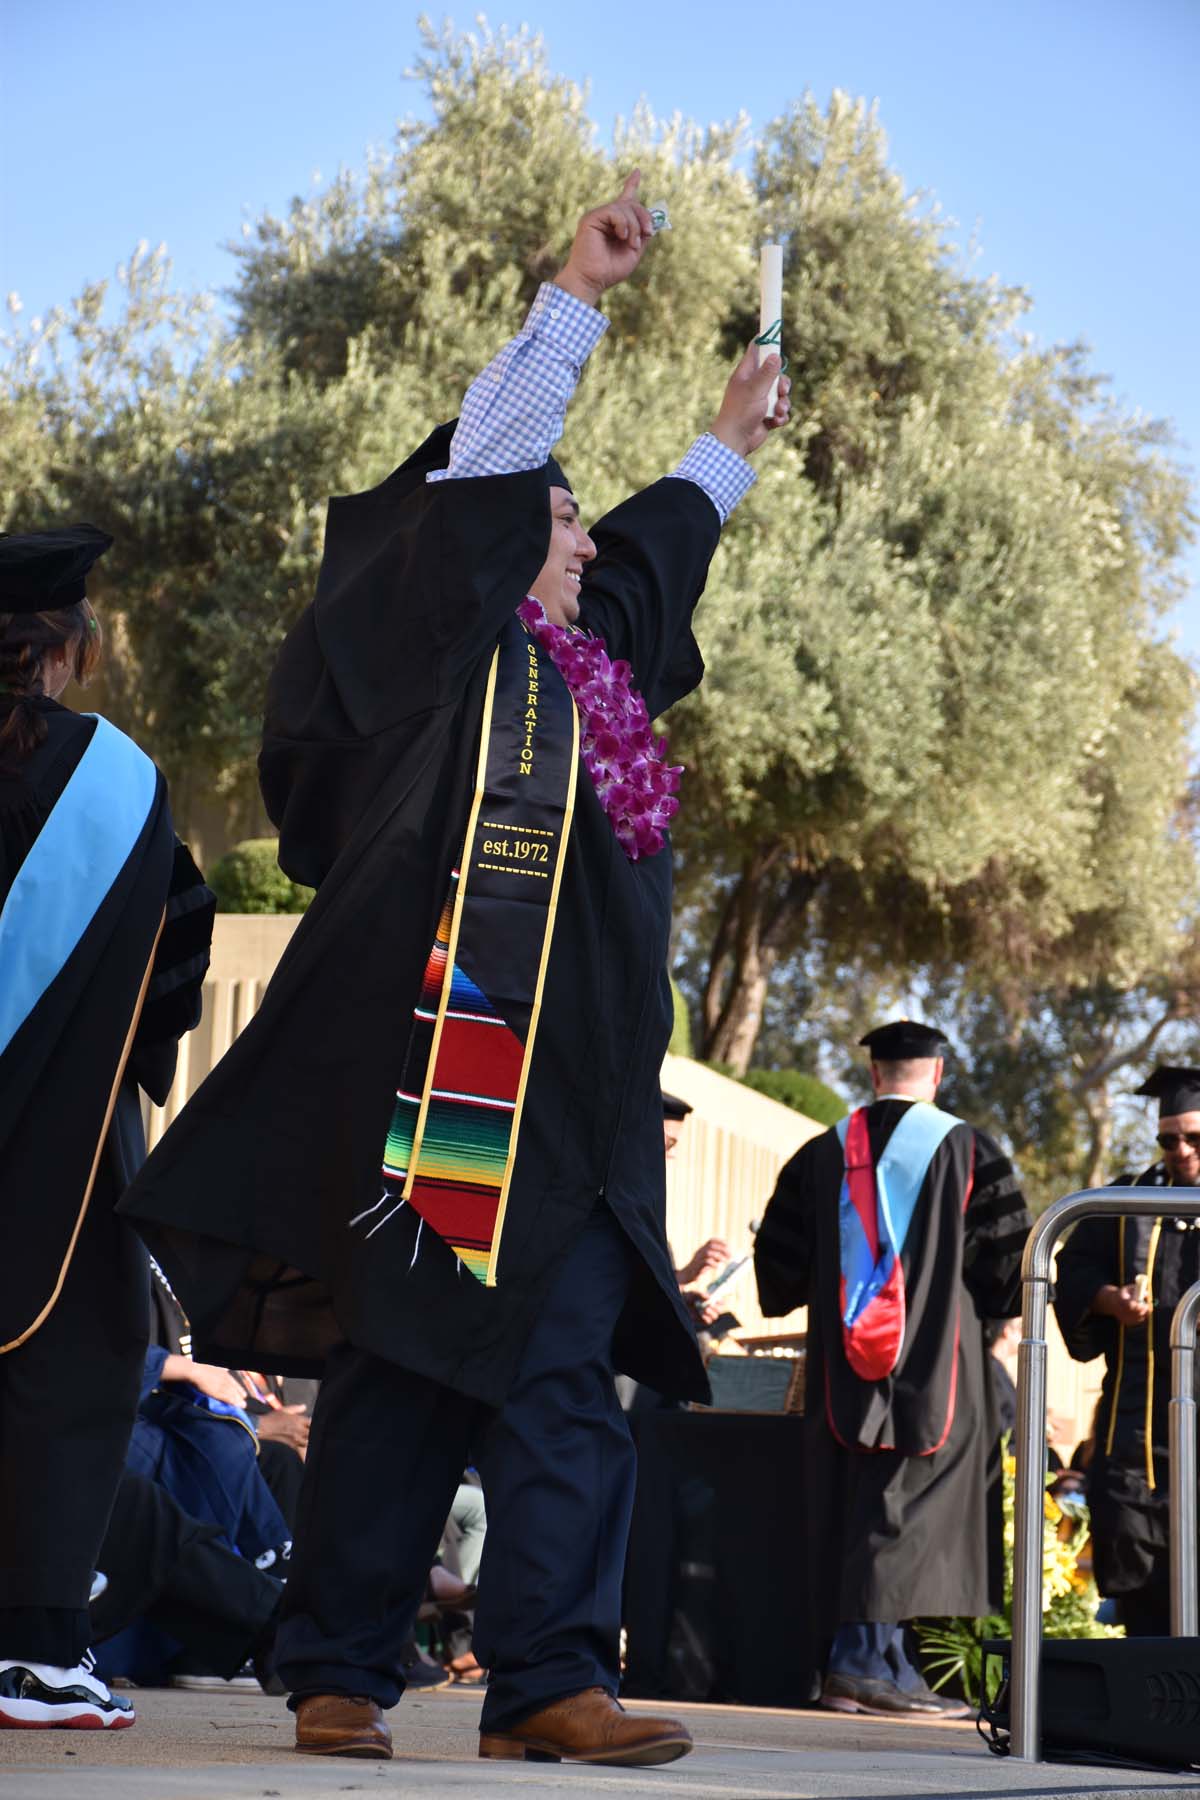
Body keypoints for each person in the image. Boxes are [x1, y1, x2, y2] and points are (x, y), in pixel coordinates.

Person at [121, 173, 790, 1766]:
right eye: (554, 516)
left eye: (571, 523)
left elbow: (662, 542)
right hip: (443, 1063)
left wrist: (731, 440)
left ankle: (548, 1676)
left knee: (565, 1383)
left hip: (576, 1099)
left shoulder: (598, 665)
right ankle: (340, 1665)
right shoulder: (449, 650)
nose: (572, 529)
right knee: (401, 1381)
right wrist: (577, 289)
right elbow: (481, 475)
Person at [0, 526, 214, 1729]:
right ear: (70, 652)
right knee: (64, 1372)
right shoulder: (115, 783)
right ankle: (32, 1652)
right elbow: (176, 948)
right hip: (69, 1150)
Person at [754, 1020, 1032, 1716]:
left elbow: (778, 1271)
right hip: (943, 1368)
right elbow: (1006, 1272)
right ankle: (861, 1665)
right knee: (908, 1502)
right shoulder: (972, 1152)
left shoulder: (823, 1152)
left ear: (875, 1075)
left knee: (856, 1502)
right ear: (936, 1076)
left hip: (839, 1372)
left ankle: (874, 1660)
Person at [1054, 1063, 1200, 1635]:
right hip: (1137, 1442)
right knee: (1141, 1597)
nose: (1181, 1150)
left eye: (1194, 1137)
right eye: (1169, 1139)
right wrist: (1105, 1298)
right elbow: (1071, 1271)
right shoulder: (1124, 1205)